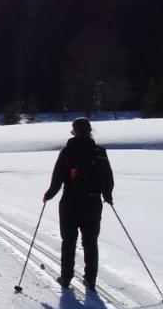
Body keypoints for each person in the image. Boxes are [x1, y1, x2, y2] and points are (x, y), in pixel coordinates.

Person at [43, 117, 115, 292]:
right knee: (90, 242)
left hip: (70, 202)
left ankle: (66, 278)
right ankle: (90, 280)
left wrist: (49, 195)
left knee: (69, 241)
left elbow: (57, 178)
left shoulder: (68, 151)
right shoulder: (99, 151)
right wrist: (108, 195)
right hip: (93, 202)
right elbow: (108, 177)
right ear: (90, 131)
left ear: (74, 132)